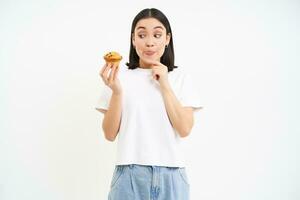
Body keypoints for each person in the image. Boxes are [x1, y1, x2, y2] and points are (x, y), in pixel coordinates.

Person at [95, 8, 203, 200]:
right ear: (133, 39)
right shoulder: (118, 78)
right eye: (142, 34)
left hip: (171, 175)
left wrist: (164, 84)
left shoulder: (180, 78)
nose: (150, 42)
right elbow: (109, 134)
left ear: (167, 39)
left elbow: (184, 128)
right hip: (128, 175)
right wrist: (117, 92)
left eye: (157, 34)